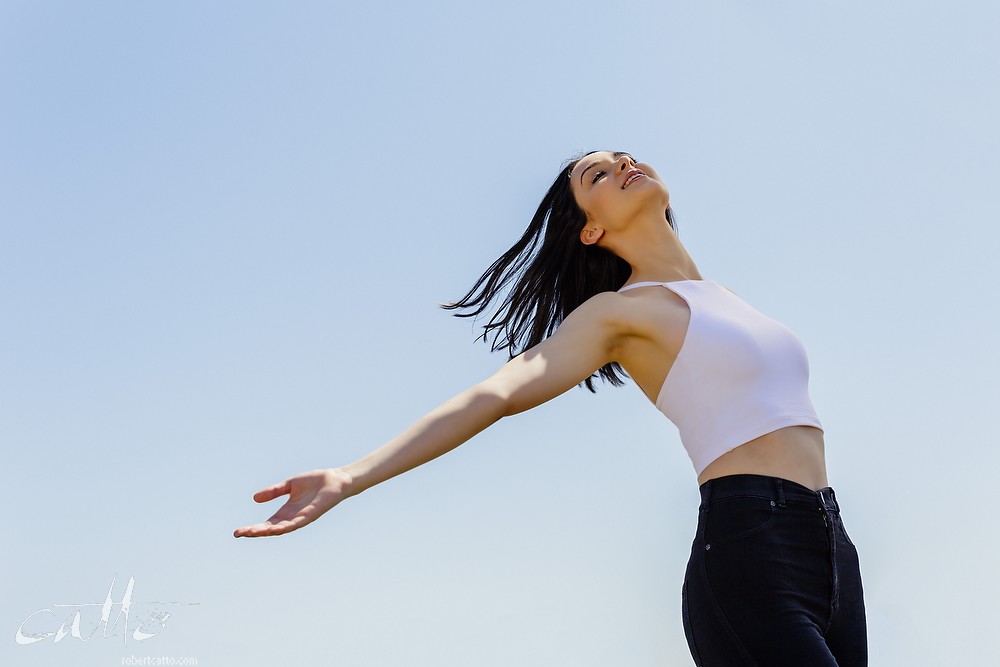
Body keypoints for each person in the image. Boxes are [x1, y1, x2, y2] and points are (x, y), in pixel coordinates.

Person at [233, 150, 868, 666]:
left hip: (829, 539)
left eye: (624, 156)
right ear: (591, 229)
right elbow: (499, 394)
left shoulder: (725, 296)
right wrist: (351, 476)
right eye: (599, 174)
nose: (622, 164)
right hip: (750, 540)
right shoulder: (616, 313)